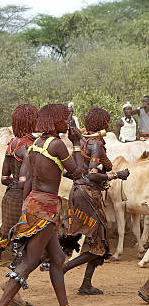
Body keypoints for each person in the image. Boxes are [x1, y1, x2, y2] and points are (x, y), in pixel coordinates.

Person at [0, 103, 87, 306]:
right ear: (55, 122)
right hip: (46, 208)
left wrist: (27, 208)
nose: (68, 122)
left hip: (33, 204)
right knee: (30, 261)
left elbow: (29, 180)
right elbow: (78, 173)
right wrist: (75, 144)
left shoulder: (35, 145)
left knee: (58, 259)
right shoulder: (57, 145)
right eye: (65, 119)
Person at [62, 108, 130, 294]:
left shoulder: (82, 143)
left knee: (99, 243)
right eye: (106, 122)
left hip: (78, 193)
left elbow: (69, 172)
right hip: (88, 196)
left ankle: (86, 284)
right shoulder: (95, 145)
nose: (107, 125)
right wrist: (117, 174)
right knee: (99, 243)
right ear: (102, 124)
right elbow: (92, 175)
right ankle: (63, 269)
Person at [0, 104, 37, 306]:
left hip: (9, 196)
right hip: (23, 198)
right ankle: (11, 288)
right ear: (30, 122)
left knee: (13, 239)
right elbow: (25, 180)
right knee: (25, 245)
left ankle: (13, 290)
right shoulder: (28, 146)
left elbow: (4, 178)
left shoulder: (11, 144)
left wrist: (15, 184)